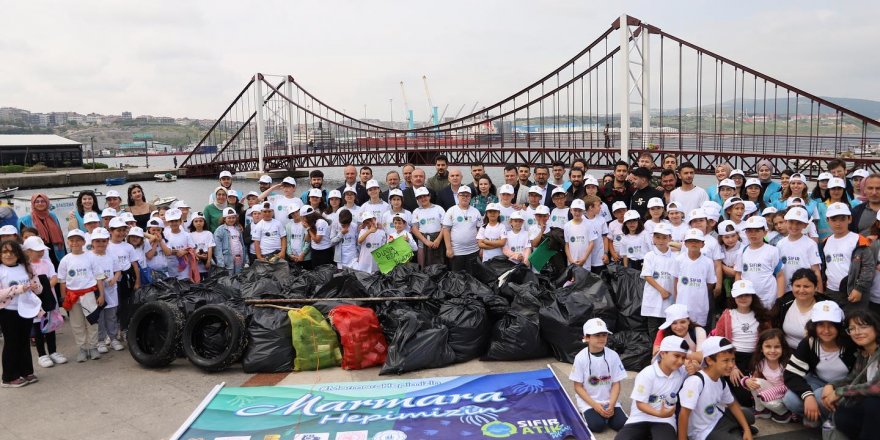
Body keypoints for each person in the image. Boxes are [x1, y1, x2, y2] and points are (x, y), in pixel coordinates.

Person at [783, 301, 857, 428]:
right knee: (790, 399)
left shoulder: (852, 344)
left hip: (845, 384)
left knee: (819, 396)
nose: (826, 330)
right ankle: (819, 417)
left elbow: (859, 376)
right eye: (821, 325)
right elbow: (791, 374)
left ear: (840, 326)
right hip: (818, 380)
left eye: (832, 325)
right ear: (814, 326)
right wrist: (807, 396)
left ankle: (832, 423)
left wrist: (831, 387)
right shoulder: (809, 343)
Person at [678, 336, 756, 440]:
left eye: (733, 360)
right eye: (725, 360)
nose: (731, 365)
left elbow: (732, 404)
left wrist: (746, 429)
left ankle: (737, 430)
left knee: (749, 416)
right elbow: (683, 415)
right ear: (709, 360)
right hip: (703, 431)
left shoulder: (721, 379)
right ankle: (735, 432)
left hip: (719, 417)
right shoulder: (696, 382)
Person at [614, 335, 688, 440]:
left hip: (665, 420)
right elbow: (640, 404)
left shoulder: (682, 371)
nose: (680, 361)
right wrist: (659, 413)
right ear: (662, 354)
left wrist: (696, 367)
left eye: (683, 357)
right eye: (676, 356)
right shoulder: (647, 373)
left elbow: (703, 364)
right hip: (640, 417)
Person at [712, 279, 772, 408]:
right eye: (739, 295)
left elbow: (768, 341)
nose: (743, 298)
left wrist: (759, 366)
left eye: (747, 295)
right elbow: (719, 341)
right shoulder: (727, 315)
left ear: (752, 296)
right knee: (744, 398)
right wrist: (732, 366)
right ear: (734, 297)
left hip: (756, 358)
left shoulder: (761, 315)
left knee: (755, 390)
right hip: (733, 358)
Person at [822, 309, 880, 440]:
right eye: (852, 328)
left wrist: (839, 392)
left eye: (863, 326)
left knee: (873, 404)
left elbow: (877, 387)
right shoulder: (864, 353)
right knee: (842, 414)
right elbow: (852, 378)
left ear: (876, 327)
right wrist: (831, 386)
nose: (857, 332)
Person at [571, 318, 628, 434]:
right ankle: (587, 413)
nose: (602, 338)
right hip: (589, 402)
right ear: (586, 337)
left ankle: (610, 411)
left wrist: (611, 404)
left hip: (609, 400)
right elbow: (578, 387)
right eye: (597, 335)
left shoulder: (613, 355)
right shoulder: (580, 358)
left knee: (621, 425)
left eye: (604, 335)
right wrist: (595, 405)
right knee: (597, 426)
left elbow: (616, 383)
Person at [58, 229, 105, 363]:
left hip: (89, 294)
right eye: (72, 240)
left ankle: (93, 346)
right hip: (72, 296)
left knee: (92, 322)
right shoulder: (65, 260)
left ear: (84, 242)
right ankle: (82, 348)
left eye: (78, 240)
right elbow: (62, 280)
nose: (75, 243)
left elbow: (99, 277)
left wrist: (101, 295)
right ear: (68, 242)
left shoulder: (90, 257)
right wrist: (63, 297)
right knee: (77, 324)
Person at [0, 239, 42, 387]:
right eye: (4, 251)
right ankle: (9, 377)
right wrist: (18, 289)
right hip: (8, 312)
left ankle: (26, 371)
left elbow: (38, 287)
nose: (8, 255)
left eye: (12, 251)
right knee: (12, 342)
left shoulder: (26, 267)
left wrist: (35, 286)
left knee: (24, 341)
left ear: (18, 254)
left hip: (26, 310)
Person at [23, 236, 66, 369]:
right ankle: (42, 355)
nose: (41, 253)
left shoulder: (47, 263)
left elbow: (54, 277)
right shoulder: (25, 266)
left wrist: (46, 287)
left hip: (48, 298)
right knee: (38, 328)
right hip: (35, 301)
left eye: (42, 250)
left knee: (51, 326)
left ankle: (53, 351)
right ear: (28, 251)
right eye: (37, 250)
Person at [823, 202, 874, 313]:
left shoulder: (859, 240)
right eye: (834, 219)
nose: (838, 223)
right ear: (828, 221)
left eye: (842, 219)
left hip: (853, 293)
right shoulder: (825, 242)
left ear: (849, 219)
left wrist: (859, 289)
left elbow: (868, 267)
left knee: (855, 325)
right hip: (831, 292)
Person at [741, 328, 792, 423]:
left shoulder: (785, 365)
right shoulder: (761, 363)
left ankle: (784, 413)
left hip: (784, 395)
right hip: (770, 392)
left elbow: (787, 387)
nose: (772, 350)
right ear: (761, 348)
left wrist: (767, 395)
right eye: (768, 346)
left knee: (767, 401)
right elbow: (752, 381)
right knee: (754, 382)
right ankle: (762, 410)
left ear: (783, 348)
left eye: (777, 347)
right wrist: (746, 381)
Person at [734, 216, 784, 309]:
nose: (753, 234)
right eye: (749, 231)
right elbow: (738, 274)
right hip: (749, 300)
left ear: (765, 232)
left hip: (768, 299)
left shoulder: (773, 251)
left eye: (757, 230)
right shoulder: (741, 252)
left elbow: (780, 275)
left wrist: (780, 299)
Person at [674, 229, 717, 327]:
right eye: (690, 241)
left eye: (697, 241)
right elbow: (676, 280)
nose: (693, 243)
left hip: (700, 305)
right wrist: (677, 299)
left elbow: (710, 283)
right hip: (682, 303)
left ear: (702, 244)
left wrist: (699, 290)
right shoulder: (679, 260)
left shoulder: (708, 262)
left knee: (699, 332)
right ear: (685, 243)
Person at [775, 268, 827, 350]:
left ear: (816, 288)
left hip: (815, 352)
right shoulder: (784, 303)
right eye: (797, 286)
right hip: (787, 352)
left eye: (806, 286)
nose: (801, 290)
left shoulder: (825, 306)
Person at [641, 223, 676, 342]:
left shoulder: (676, 256)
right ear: (653, 238)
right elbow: (647, 275)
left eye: (664, 237)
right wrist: (661, 290)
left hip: (670, 299)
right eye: (658, 237)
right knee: (654, 330)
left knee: (668, 329)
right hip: (653, 299)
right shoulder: (650, 256)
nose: (661, 241)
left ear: (670, 238)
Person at [90, 227, 122, 354]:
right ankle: (101, 340)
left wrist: (114, 278)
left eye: (103, 241)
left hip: (111, 290)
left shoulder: (111, 255)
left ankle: (113, 338)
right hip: (97, 293)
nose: (101, 244)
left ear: (107, 241)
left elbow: (118, 270)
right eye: (97, 241)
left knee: (111, 316)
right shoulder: (89, 257)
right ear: (92, 242)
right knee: (100, 317)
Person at [776, 207, 823, 294]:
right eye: (791, 222)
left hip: (804, 291)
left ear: (805, 225)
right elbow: (779, 271)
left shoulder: (810, 244)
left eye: (798, 223)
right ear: (786, 222)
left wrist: (819, 293)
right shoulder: (780, 244)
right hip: (786, 291)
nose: (794, 226)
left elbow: (816, 270)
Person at [106, 218, 139, 339]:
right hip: (112, 278)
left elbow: (135, 265)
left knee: (125, 304)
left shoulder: (128, 247)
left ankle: (124, 329)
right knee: (113, 305)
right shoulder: (106, 246)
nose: (121, 233)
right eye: (117, 230)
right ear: (110, 231)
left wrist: (137, 281)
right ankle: (111, 333)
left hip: (126, 278)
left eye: (123, 230)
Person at [651, 304, 707, 375]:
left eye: (682, 322)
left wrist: (676, 354)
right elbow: (656, 354)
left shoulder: (699, 331)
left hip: (694, 369)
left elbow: (702, 357)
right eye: (674, 323)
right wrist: (688, 359)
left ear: (688, 321)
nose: (679, 327)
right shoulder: (662, 332)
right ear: (669, 324)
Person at [19, 193, 66, 267]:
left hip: (55, 251)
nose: (40, 203)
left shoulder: (52, 216)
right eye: (37, 201)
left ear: (47, 203)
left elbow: (60, 235)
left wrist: (65, 254)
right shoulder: (25, 220)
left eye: (42, 201)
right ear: (33, 204)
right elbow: (23, 240)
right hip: (37, 253)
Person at [442, 186, 481, 272]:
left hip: (473, 250)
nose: (465, 197)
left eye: (467, 195)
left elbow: (480, 231)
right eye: (462, 195)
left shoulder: (475, 211)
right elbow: (446, 230)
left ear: (470, 197)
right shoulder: (451, 211)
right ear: (458, 196)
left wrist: (481, 248)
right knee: (457, 278)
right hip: (457, 252)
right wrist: (448, 248)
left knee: (473, 277)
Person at [411, 187, 446, 268]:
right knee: (423, 266)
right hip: (423, 244)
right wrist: (426, 241)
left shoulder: (439, 209)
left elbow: (444, 226)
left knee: (439, 266)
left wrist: (438, 239)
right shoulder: (416, 211)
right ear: (417, 199)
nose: (423, 199)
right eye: (420, 197)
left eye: (425, 196)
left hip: (438, 242)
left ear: (429, 196)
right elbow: (414, 229)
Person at [563, 199, 597, 270]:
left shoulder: (589, 224)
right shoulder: (567, 226)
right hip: (572, 263)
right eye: (575, 210)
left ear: (583, 211)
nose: (577, 213)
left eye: (580, 210)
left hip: (585, 263)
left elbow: (591, 243)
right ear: (571, 210)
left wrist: (584, 259)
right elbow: (567, 245)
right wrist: (571, 260)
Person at [164, 208, 196, 280]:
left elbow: (192, 248)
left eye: (176, 221)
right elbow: (164, 250)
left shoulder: (186, 235)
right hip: (170, 268)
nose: (174, 223)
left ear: (180, 221)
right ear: (168, 222)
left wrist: (185, 251)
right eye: (171, 221)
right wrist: (174, 252)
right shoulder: (165, 235)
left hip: (185, 269)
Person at [188, 213, 215, 279]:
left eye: (201, 221)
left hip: (206, 262)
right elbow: (191, 249)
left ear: (204, 222)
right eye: (196, 221)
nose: (198, 223)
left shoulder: (208, 233)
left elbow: (210, 247)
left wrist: (208, 261)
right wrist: (197, 256)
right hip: (195, 263)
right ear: (192, 223)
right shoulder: (190, 235)